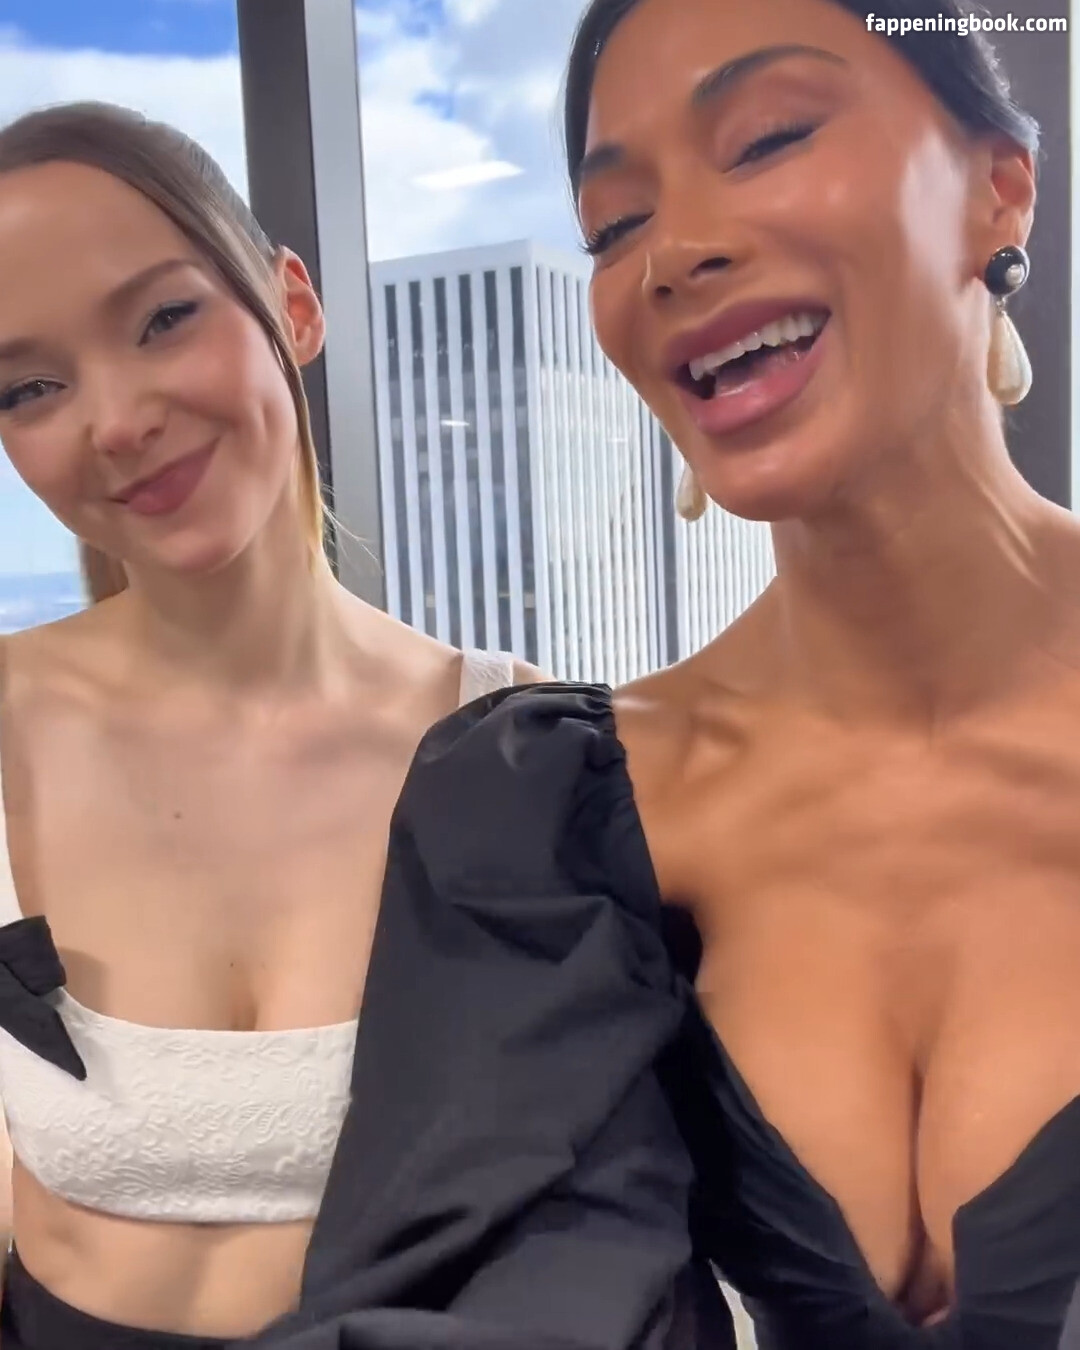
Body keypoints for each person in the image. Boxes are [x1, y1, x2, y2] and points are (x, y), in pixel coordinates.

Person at [252, 1, 1080, 1348]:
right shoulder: (546, 809)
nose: (676, 251)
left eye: (769, 138)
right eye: (614, 226)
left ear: (1000, 188)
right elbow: (490, 1291)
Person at [0, 101, 538, 1349]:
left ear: (293, 304)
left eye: (164, 319)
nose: (116, 419)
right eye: (30, 386)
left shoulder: (514, 739)